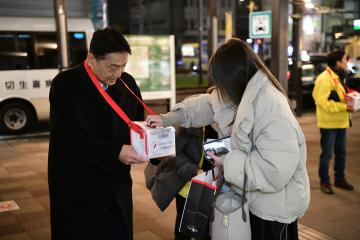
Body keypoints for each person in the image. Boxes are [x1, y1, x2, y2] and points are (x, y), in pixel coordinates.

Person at [146, 38, 310, 240]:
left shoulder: (271, 106)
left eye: (220, 81)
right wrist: (167, 119)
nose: (218, 87)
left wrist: (225, 161)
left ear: (233, 77)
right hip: (255, 203)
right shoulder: (245, 94)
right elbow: (207, 104)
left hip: (274, 214)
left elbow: (273, 171)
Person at [48, 28, 148, 240]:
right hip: (80, 185)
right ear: (91, 58)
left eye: (123, 66)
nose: (118, 73)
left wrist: (156, 146)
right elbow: (67, 141)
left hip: (117, 185)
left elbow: (138, 125)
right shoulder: (66, 85)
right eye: (112, 67)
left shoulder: (127, 83)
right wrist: (115, 152)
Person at [145, 124, 217, 240]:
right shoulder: (188, 124)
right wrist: (194, 171)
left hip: (210, 187)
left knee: (207, 230)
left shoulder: (223, 127)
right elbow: (172, 155)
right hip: (187, 186)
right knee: (184, 230)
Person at [312, 50, 354, 195]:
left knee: (341, 153)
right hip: (329, 124)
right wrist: (345, 106)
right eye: (344, 59)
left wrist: (351, 99)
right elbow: (322, 101)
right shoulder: (324, 79)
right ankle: (324, 181)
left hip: (341, 122)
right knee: (327, 154)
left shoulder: (339, 76)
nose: (346, 62)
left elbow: (339, 95)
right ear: (337, 63)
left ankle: (339, 179)